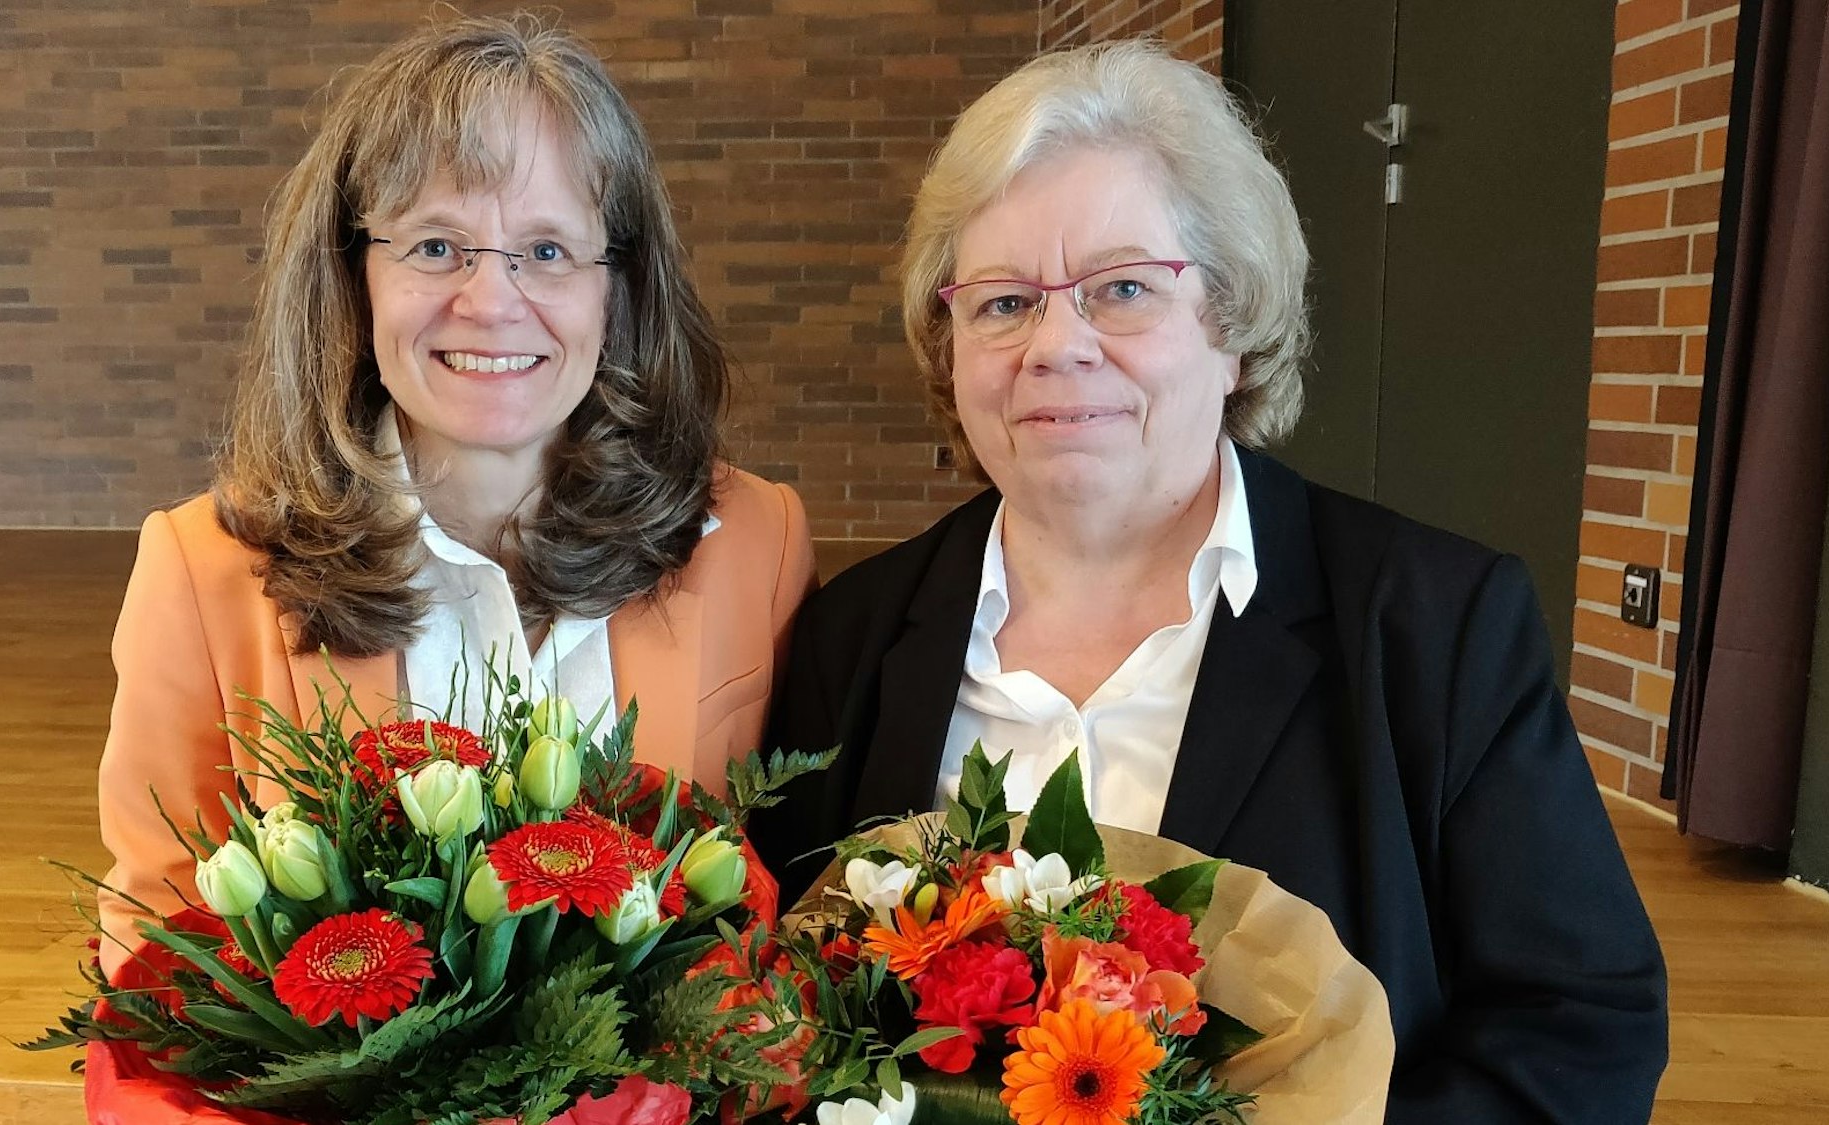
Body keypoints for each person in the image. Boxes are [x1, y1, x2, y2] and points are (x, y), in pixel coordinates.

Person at [755, 40, 1667, 1122]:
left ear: (1229, 326)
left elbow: (1578, 1023)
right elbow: (774, 1008)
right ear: (944, 341)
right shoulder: (849, 638)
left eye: (1122, 289)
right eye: (1002, 303)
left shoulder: (1434, 626)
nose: (1056, 346)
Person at [96, 14, 814, 980]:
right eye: (436, 246)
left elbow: (775, 914)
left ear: (618, 287)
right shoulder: (204, 568)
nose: (491, 300)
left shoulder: (756, 541)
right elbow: (159, 943)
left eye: (549, 250)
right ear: (352, 278)